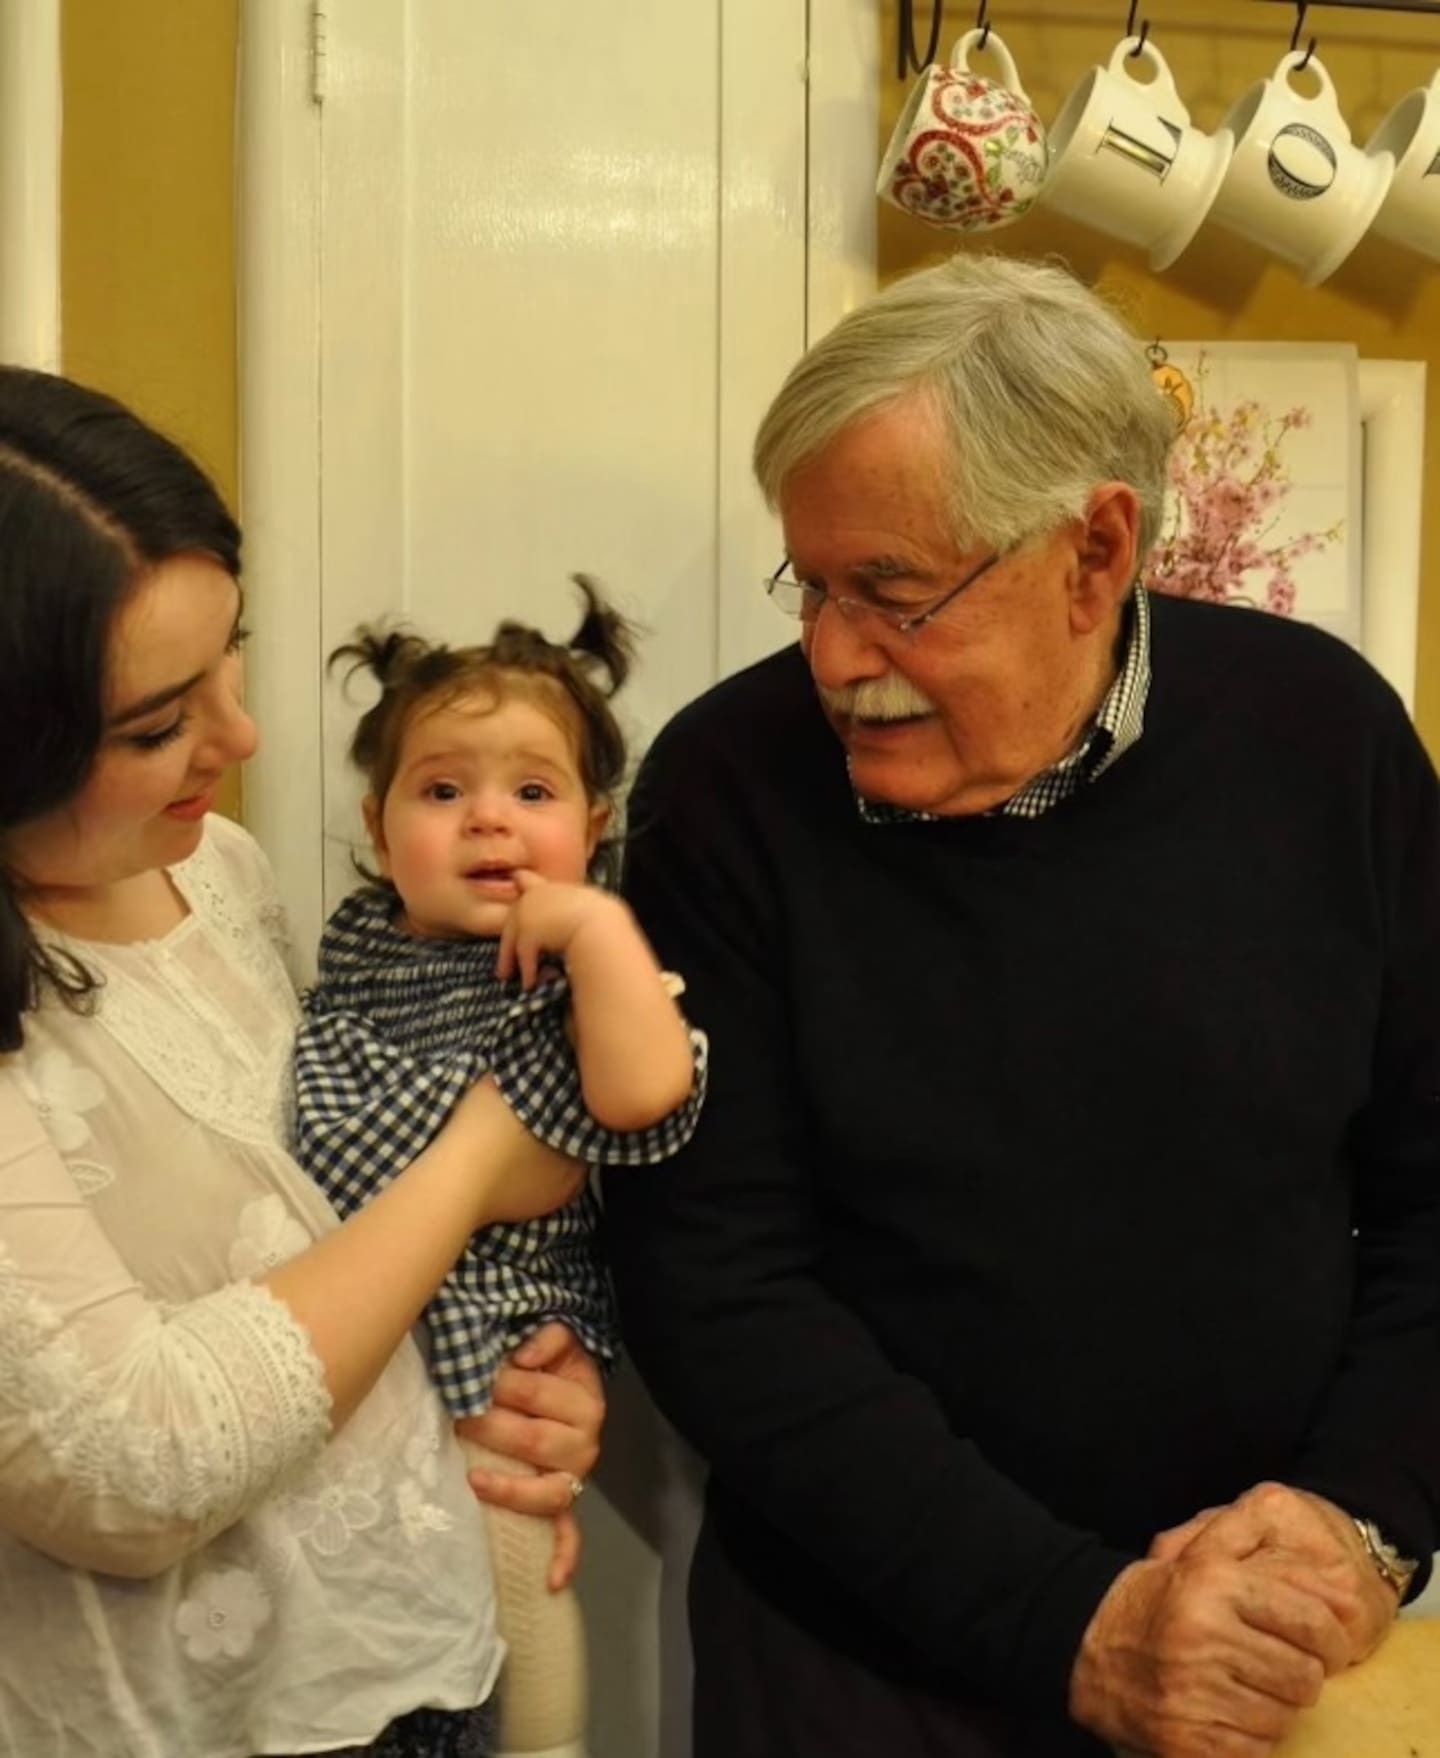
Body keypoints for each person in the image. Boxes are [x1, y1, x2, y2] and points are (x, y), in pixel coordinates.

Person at [604, 253, 1440, 1758]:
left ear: (1095, 550)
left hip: (1266, 1659)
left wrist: (1358, 1521)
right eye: (813, 585)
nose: (834, 658)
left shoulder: (1329, 740)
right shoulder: (725, 789)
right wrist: (1076, 1620)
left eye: (895, 594)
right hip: (857, 1669)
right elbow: (717, 1287)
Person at [0, 364, 606, 1758]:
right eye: (159, 724)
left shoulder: (221, 870)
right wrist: (476, 1163)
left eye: (230, 658)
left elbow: (303, 1229)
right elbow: (130, 1457)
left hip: (415, 1654)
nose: (243, 735)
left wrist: (495, 1386)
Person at [291, 590, 707, 1758]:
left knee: (518, 1586)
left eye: (532, 793)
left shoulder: (580, 968)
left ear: (595, 823)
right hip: (344, 1362)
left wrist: (602, 936)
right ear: (379, 831)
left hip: (490, 1370)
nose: (489, 823)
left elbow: (642, 1093)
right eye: (442, 791)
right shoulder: (359, 946)